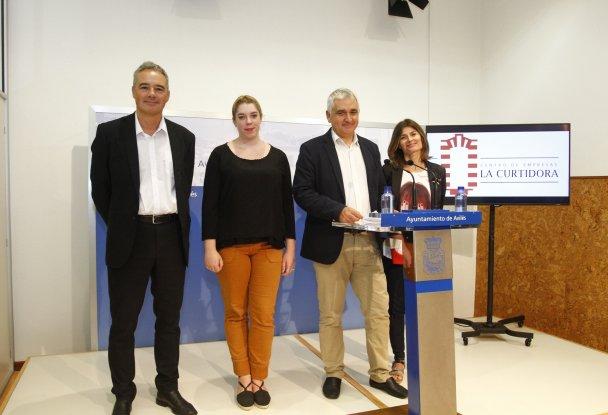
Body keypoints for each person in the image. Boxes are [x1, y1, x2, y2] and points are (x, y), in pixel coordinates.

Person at [90, 61, 197, 415]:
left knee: (169, 320)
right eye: (145, 87)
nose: (152, 94)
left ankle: (168, 387)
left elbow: (180, 192)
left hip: (170, 237)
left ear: (168, 94)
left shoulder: (184, 138)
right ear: (134, 91)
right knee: (124, 322)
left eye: (159, 88)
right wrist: (122, 224)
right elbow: (100, 191)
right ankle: (123, 391)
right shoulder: (109, 135)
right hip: (130, 238)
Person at [293, 88, 407, 400]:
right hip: (332, 242)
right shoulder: (312, 150)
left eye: (353, 112)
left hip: (369, 242)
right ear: (328, 115)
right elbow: (301, 191)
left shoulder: (371, 149)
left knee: (379, 312)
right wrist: (336, 209)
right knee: (330, 315)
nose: (348, 118)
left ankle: (381, 374)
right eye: (341, 112)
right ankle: (333, 372)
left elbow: (381, 191)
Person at [202, 95, 296, 410]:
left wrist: (290, 248)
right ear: (234, 120)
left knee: (264, 315)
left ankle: (261, 376)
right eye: (242, 117)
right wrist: (210, 247)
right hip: (231, 248)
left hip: (270, 248)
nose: (248, 122)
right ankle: (243, 375)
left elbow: (286, 206)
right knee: (235, 313)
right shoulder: (219, 156)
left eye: (253, 115)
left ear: (260, 117)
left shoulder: (279, 157)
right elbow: (210, 205)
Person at [381, 119, 446, 384]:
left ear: (421, 137)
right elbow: (384, 208)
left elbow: (439, 209)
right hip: (398, 244)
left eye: (413, 133)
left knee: (429, 302)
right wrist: (398, 238)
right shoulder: (390, 171)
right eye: (403, 136)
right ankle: (399, 358)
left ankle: (428, 354)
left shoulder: (437, 172)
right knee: (398, 305)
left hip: (430, 245)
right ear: (397, 144)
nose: (410, 139)